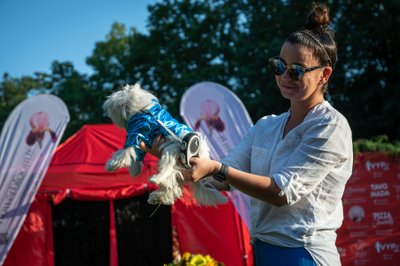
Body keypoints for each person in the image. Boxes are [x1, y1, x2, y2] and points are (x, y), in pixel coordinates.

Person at [141, 3, 353, 266]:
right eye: (279, 65)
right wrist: (171, 154)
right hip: (263, 251)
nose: (285, 75)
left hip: (304, 254)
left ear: (324, 75)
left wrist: (216, 169)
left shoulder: (331, 126)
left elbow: (282, 192)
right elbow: (220, 179)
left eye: (296, 69)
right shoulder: (266, 126)